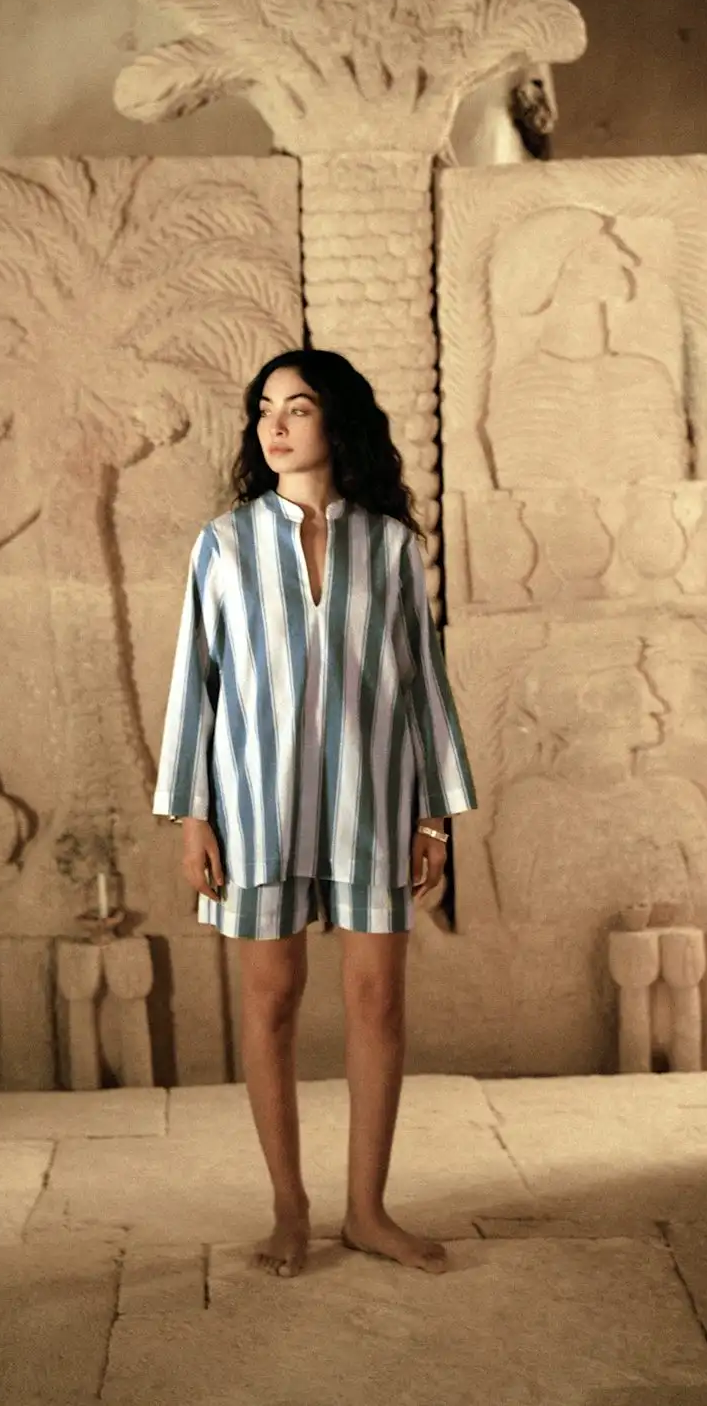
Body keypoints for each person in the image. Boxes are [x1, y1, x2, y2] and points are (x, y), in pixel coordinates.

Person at [154, 349, 477, 1278]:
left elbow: (422, 685)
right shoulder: (222, 544)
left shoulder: (389, 546)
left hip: (375, 801)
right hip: (255, 803)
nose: (276, 424)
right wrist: (193, 814)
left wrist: (433, 817)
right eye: (265, 408)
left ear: (338, 421)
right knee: (273, 1000)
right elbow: (196, 684)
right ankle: (288, 1208)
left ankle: (367, 1211)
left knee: (377, 1000)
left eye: (298, 406)